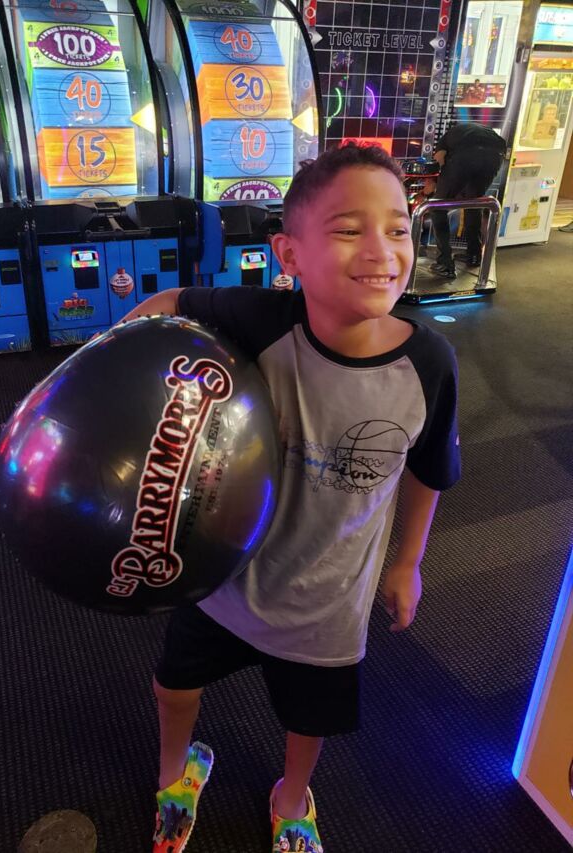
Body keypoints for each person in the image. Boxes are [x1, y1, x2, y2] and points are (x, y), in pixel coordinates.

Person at [121, 143, 461, 853]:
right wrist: (108, 367)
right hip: (224, 580)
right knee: (173, 687)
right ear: (289, 253)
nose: (381, 250)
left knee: (309, 722)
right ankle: (174, 775)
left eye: (398, 228)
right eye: (348, 229)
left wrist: (407, 563)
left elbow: (430, 468)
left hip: (327, 602)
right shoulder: (261, 320)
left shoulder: (429, 362)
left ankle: (291, 796)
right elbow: (168, 305)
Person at [430, 121, 507, 278]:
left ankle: (445, 263)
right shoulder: (473, 130)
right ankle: (474, 255)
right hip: (496, 155)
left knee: (437, 207)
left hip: (466, 154)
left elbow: (439, 161)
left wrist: (437, 186)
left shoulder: (445, 139)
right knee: (474, 201)